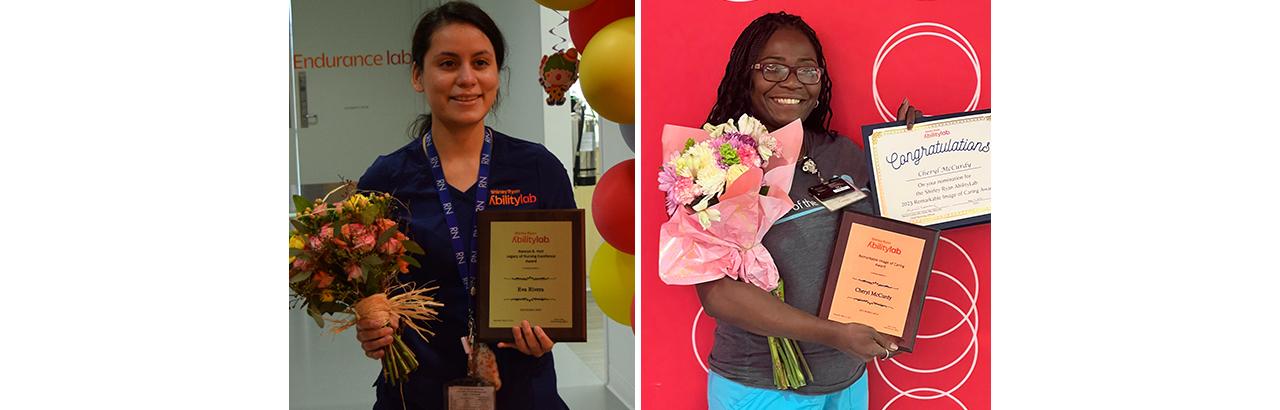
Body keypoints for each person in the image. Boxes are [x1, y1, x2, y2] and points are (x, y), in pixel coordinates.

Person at [696, 12, 923, 410]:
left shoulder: (844, 155)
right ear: (746, 74)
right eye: (772, 68)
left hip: (848, 377)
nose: (791, 82)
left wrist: (909, 151)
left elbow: (893, 236)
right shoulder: (714, 162)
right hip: (763, 387)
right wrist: (832, 333)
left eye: (807, 70)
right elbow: (718, 294)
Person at [353, 2, 573, 409]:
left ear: (497, 74)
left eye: (481, 62)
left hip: (523, 387)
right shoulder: (387, 180)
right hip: (417, 390)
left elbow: (560, 282)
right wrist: (371, 323)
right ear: (419, 75)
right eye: (448, 63)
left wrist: (552, 330)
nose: (467, 79)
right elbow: (366, 287)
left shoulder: (538, 169)